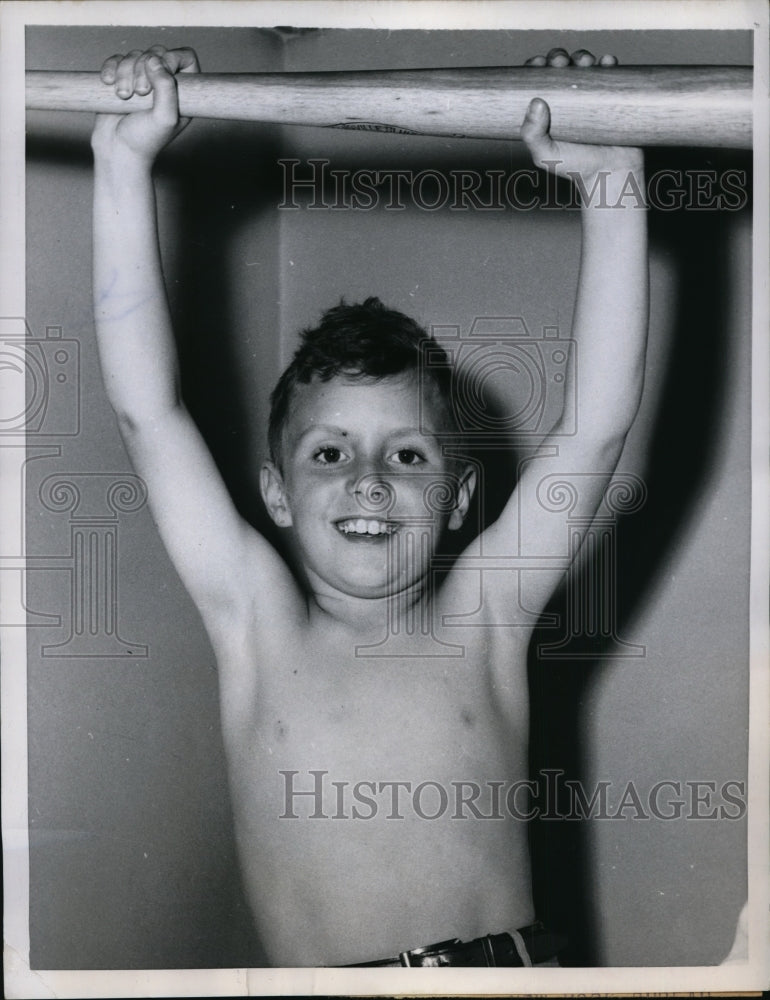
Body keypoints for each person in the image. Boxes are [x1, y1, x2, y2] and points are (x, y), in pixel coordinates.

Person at [90, 44, 648, 968]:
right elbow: (148, 413)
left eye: (408, 454)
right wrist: (123, 162)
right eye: (329, 451)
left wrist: (613, 185)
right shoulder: (255, 622)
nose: (367, 479)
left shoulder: (485, 617)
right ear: (273, 492)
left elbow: (593, 431)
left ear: (462, 499)